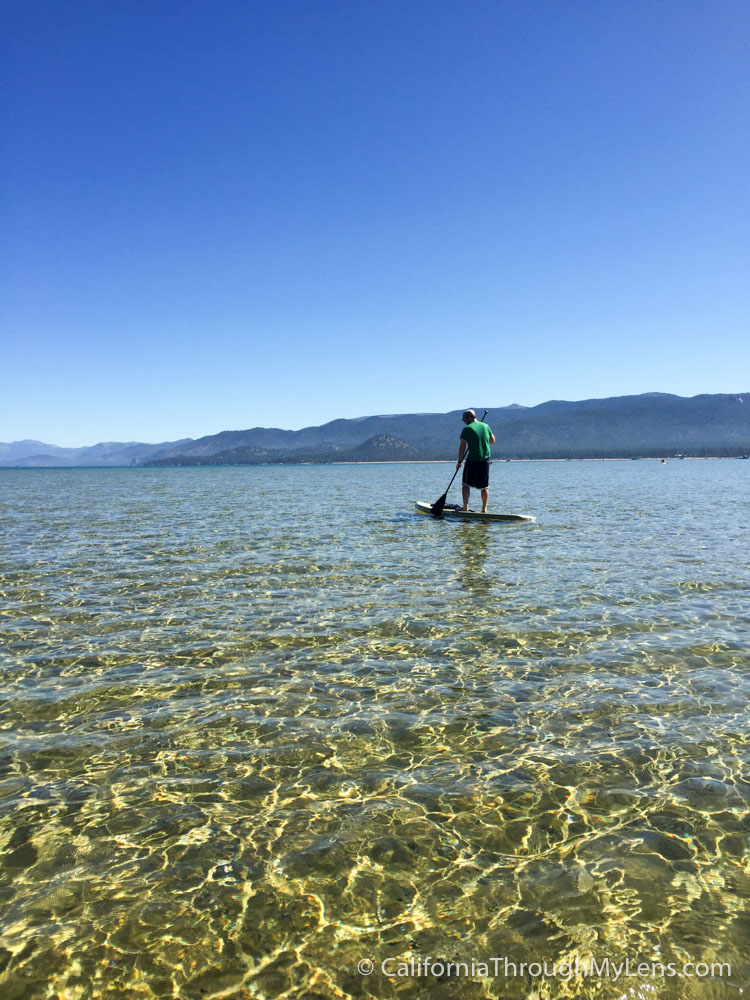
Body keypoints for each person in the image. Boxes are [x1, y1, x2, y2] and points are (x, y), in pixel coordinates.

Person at [456, 409, 495, 513]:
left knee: (465, 484)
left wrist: (459, 461)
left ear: (469, 418)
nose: (464, 422)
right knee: (484, 486)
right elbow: (492, 440)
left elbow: (462, 447)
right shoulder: (486, 426)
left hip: (473, 460)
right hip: (485, 461)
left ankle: (465, 508)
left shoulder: (467, 429)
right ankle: (484, 509)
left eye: (464, 419)